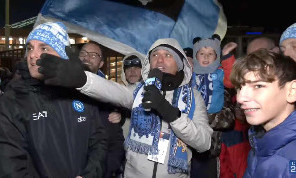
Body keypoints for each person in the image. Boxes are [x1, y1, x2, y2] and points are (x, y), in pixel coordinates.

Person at [37, 38, 213, 178]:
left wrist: (167, 110)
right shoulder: (138, 92)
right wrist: (83, 80)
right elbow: (112, 91)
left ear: (180, 63)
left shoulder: (193, 98)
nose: (160, 59)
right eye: (154, 55)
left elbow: (204, 143)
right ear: (149, 63)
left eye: (167, 55)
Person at [0, 22, 107, 177]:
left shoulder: (80, 93)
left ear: (61, 55)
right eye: (30, 47)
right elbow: (10, 167)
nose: (32, 54)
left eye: (43, 48)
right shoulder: (13, 100)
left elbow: (99, 141)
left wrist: (89, 175)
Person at [230, 49, 296, 177]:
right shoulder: (259, 143)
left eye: (258, 86)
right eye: (239, 87)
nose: (240, 98)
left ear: (292, 91)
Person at [190, 34, 236, 178]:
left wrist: (227, 56)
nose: (206, 57)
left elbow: (231, 80)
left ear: (216, 57)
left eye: (211, 54)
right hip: (187, 141)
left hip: (210, 145)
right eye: (201, 53)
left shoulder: (219, 72)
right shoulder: (190, 74)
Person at [79, 41, 125, 178]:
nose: (87, 58)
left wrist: (103, 171)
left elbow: (116, 144)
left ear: (101, 64)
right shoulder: (59, 90)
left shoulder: (108, 96)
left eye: (93, 55)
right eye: (83, 53)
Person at [120, 52, 144, 138]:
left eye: (137, 68)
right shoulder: (118, 93)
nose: (132, 71)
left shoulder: (153, 92)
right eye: (128, 68)